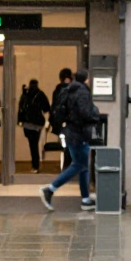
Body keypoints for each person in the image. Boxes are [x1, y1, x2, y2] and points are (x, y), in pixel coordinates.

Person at [39, 69, 99, 212]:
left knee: (83, 165)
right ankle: (50, 189)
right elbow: (85, 113)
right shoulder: (83, 92)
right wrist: (95, 114)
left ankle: (85, 200)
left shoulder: (69, 90)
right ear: (85, 79)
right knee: (78, 165)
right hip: (79, 133)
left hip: (70, 132)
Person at [17, 78, 51, 173]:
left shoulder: (25, 94)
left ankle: (34, 165)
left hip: (26, 124)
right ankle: (35, 165)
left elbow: (20, 108)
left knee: (32, 144)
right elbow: (46, 108)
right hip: (37, 124)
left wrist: (19, 121)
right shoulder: (40, 94)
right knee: (35, 144)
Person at [50, 67, 75, 170]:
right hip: (70, 122)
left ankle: (66, 167)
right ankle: (67, 167)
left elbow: (54, 107)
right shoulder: (73, 89)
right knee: (70, 146)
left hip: (60, 123)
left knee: (65, 146)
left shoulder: (58, 89)